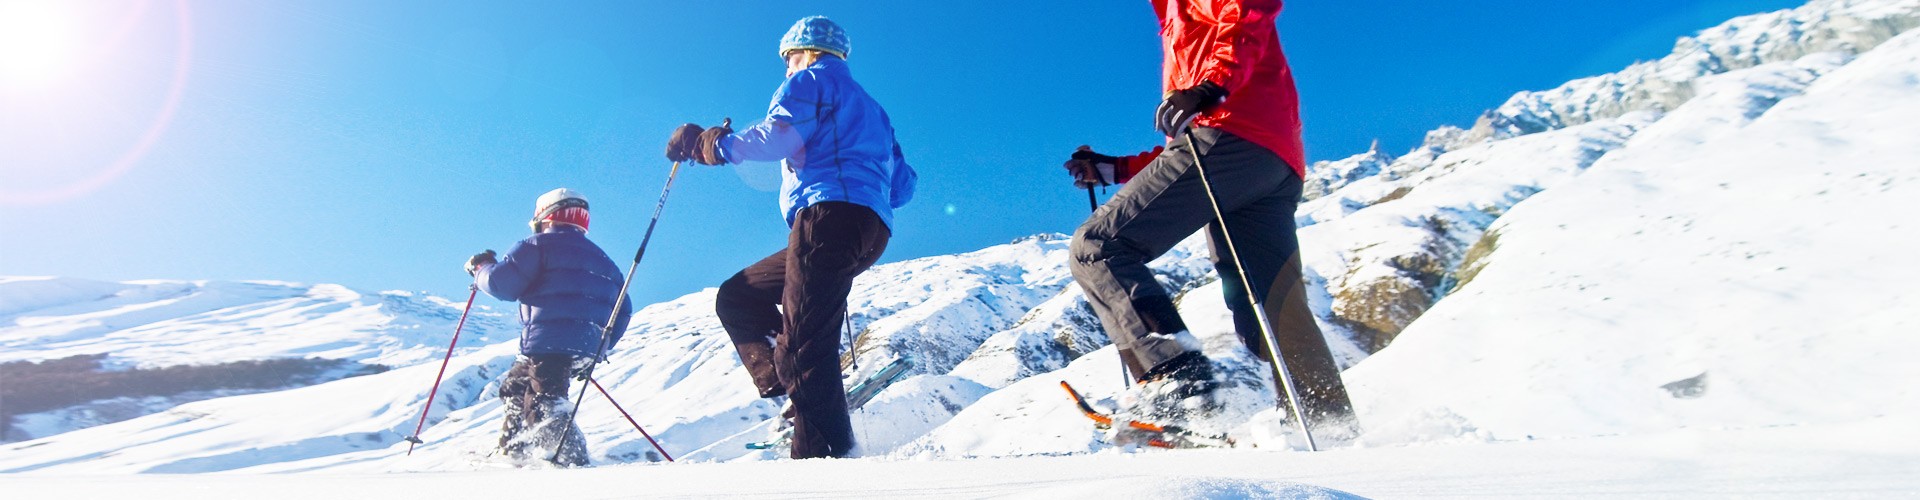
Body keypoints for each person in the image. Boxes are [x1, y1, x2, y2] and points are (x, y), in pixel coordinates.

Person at [1062, 0, 1357, 434]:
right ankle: (1329, 428)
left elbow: (1248, 12)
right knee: (1270, 313)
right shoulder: (1173, 20)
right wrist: (1116, 170)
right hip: (1271, 158)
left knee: (1097, 247)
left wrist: (1211, 85)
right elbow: (1184, 154)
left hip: (1230, 135)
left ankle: (1179, 382)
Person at [664, 16, 915, 459]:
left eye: (788, 58)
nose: (786, 69)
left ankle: (822, 462)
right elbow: (904, 187)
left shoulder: (810, 82)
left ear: (807, 52)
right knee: (737, 296)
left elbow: (777, 138)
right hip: (870, 229)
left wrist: (715, 146)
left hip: (826, 218)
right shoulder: (874, 110)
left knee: (803, 347)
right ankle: (794, 384)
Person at [466, 188, 635, 466]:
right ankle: (513, 450)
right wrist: (598, 347)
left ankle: (572, 462)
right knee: (515, 388)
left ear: (543, 217)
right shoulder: (606, 262)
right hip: (586, 346)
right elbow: (624, 310)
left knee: (545, 403)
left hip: (549, 342)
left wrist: (481, 267)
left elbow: (501, 284)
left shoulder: (536, 246)